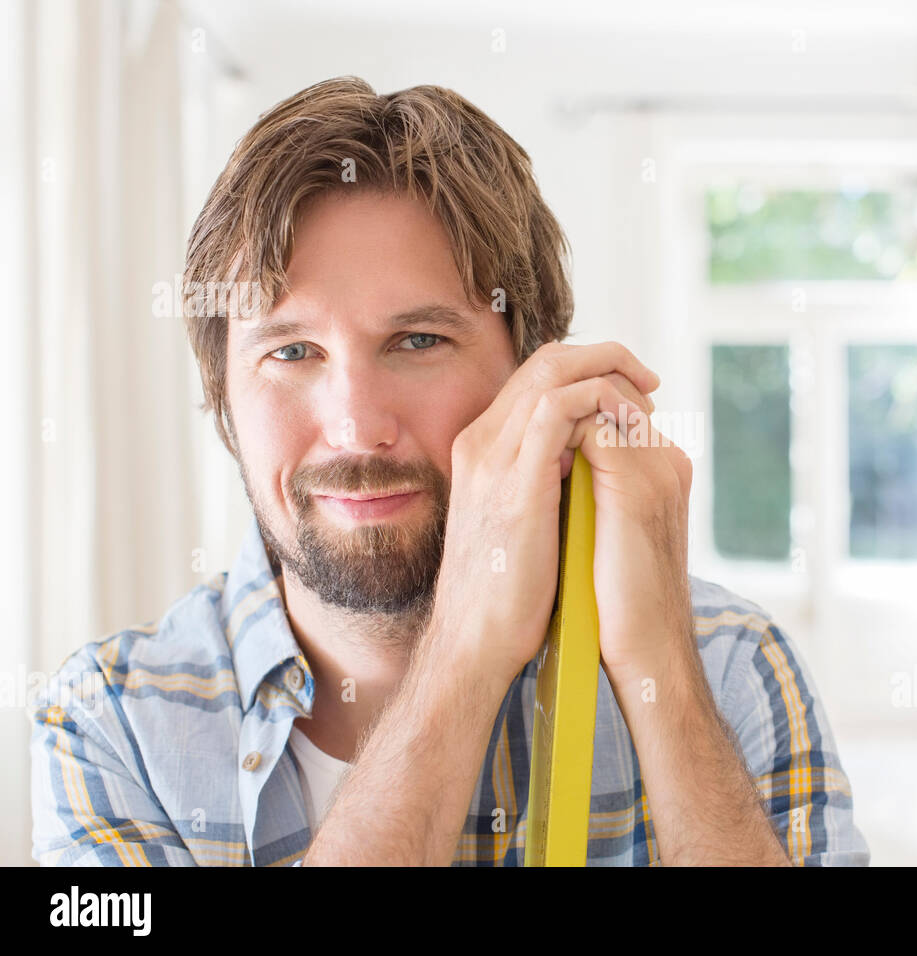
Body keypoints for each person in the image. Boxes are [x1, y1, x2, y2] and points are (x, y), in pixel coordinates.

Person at [30, 77, 870, 866]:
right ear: (223, 401)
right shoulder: (110, 724)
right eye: (291, 351)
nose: (357, 426)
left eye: (419, 341)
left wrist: (663, 676)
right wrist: (464, 653)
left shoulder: (730, 669)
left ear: (532, 377)